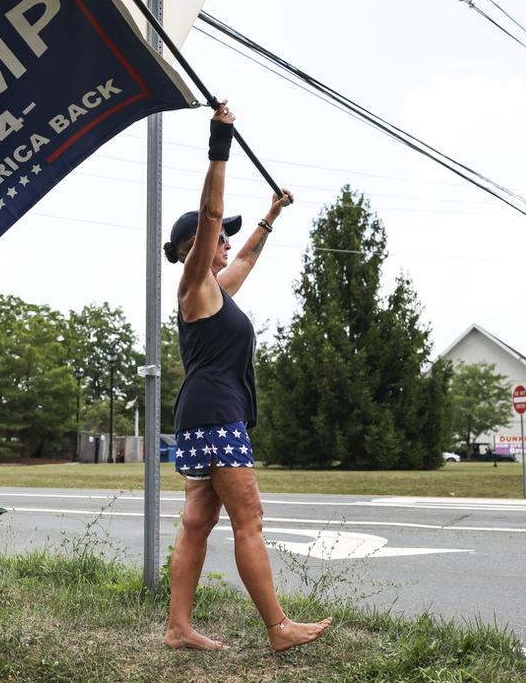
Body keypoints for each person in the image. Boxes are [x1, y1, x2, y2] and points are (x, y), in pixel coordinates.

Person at [161, 101, 332, 652]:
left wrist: (271, 214)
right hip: (215, 415)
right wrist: (220, 143)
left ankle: (178, 628)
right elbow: (211, 217)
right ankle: (279, 628)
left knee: (196, 523)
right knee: (249, 519)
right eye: (218, 241)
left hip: (201, 413)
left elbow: (248, 258)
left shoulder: (215, 292)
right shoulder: (194, 284)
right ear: (195, 250)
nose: (227, 245)